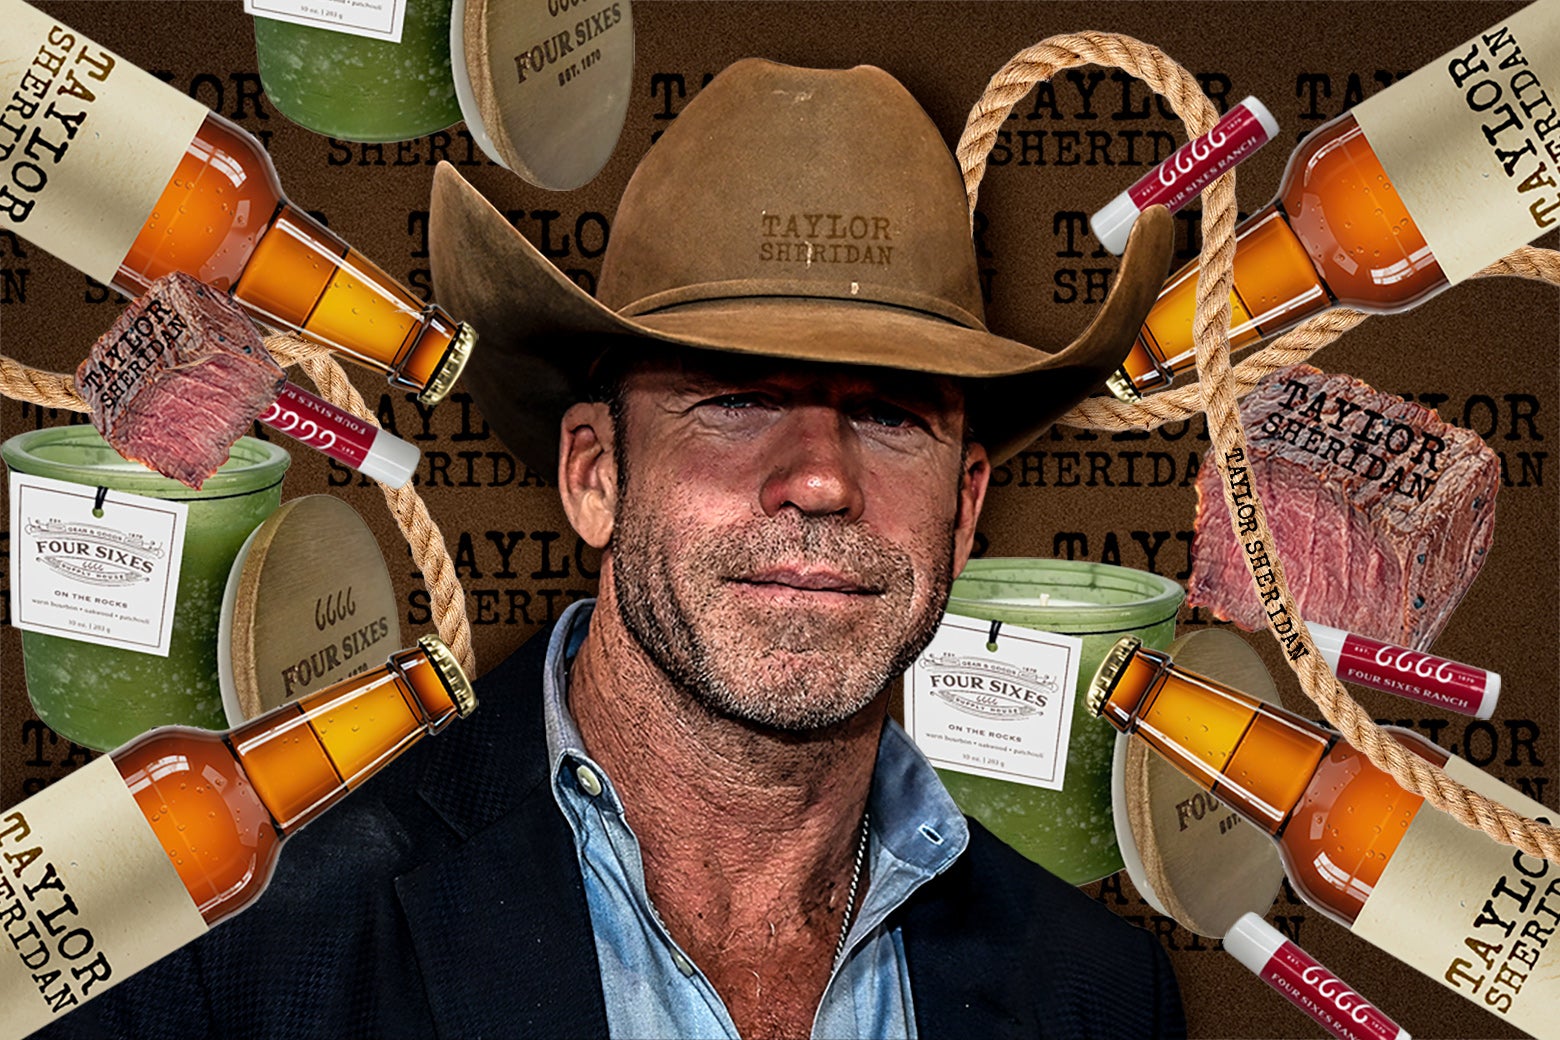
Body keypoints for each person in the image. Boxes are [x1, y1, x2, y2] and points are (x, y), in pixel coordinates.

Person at [35, 58, 1181, 1039]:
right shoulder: (230, 941)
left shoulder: (1098, 994)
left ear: (965, 510)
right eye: (737, 398)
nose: (822, 479)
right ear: (594, 473)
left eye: (890, 415)